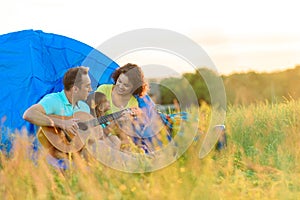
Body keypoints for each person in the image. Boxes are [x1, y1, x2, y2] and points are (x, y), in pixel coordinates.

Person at [96, 63, 171, 153]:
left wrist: (126, 122)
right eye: (119, 81)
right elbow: (93, 114)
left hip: (115, 135)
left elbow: (127, 132)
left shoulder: (133, 102)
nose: (120, 86)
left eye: (126, 85)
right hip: (99, 129)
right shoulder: (103, 90)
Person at [23, 66, 93, 161]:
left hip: (75, 153)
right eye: (87, 86)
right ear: (75, 89)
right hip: (53, 155)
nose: (91, 89)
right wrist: (62, 123)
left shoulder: (84, 108)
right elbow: (29, 114)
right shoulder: (54, 100)